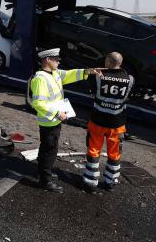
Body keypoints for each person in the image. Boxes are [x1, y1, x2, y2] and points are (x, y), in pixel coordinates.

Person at [30, 48, 102, 192]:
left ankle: (43, 172)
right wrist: (57, 113)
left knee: (47, 148)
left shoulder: (54, 73)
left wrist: (89, 71)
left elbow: (70, 74)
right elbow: (37, 103)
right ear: (47, 60)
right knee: (49, 150)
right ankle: (45, 181)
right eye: (56, 59)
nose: (58, 61)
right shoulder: (40, 79)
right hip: (49, 121)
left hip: (55, 120)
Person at [82, 52, 135, 193]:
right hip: (117, 124)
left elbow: (91, 93)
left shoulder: (98, 77)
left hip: (98, 122)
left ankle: (90, 182)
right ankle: (110, 182)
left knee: (94, 151)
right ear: (120, 63)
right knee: (115, 153)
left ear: (107, 62)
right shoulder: (130, 79)